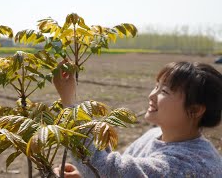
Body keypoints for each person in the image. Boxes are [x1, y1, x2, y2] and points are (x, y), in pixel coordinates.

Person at [53, 61, 222, 178]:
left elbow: (107, 169)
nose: (152, 95)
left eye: (164, 91)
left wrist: (69, 102)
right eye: (156, 86)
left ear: (195, 109)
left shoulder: (191, 166)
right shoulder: (155, 134)